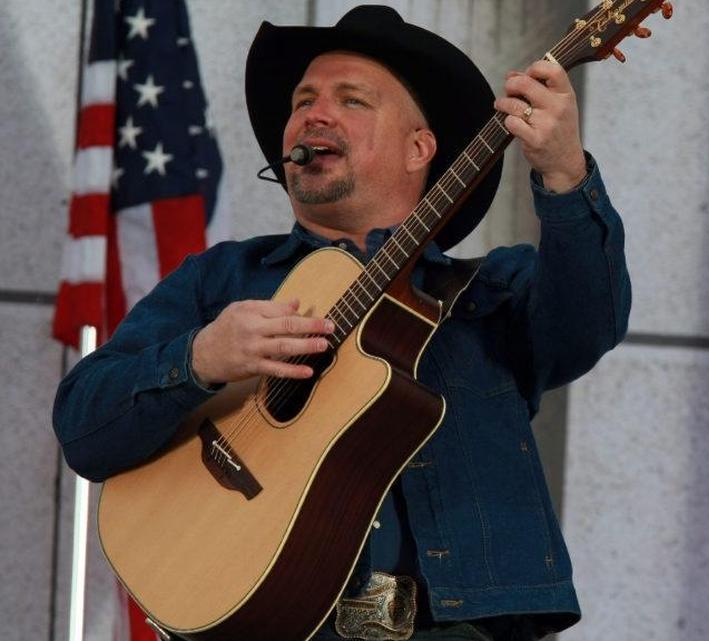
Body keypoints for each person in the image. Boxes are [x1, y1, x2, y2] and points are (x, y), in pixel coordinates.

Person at [53, 6, 630, 641]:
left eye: (351, 100)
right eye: (304, 101)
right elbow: (84, 427)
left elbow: (589, 323)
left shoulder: (492, 293)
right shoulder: (221, 279)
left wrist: (565, 174)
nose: (313, 114)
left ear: (420, 149)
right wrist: (200, 359)